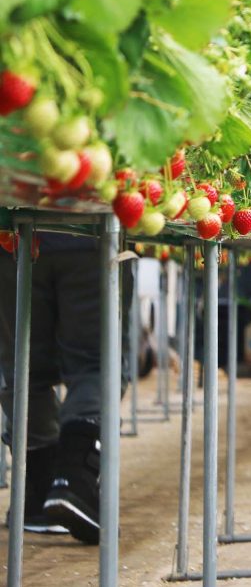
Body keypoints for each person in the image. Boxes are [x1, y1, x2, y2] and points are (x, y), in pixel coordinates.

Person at [0, 233, 130, 544]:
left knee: (24, 368)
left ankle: (40, 490)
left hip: (13, 240)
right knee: (95, 364)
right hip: (88, 236)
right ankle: (75, 479)